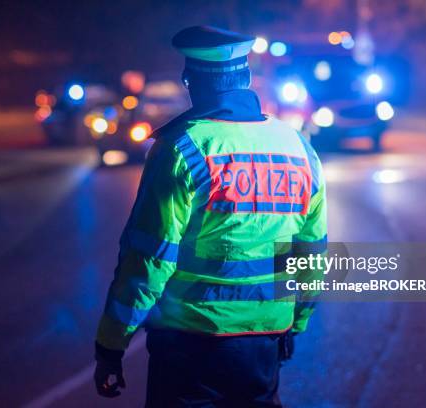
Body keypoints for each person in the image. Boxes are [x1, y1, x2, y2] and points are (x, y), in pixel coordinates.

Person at [94, 25, 327, 407]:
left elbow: (149, 260)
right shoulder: (300, 148)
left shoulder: (182, 148)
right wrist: (294, 324)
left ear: (189, 80)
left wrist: (110, 345)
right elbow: (312, 254)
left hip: (188, 347)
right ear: (248, 78)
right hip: (262, 344)